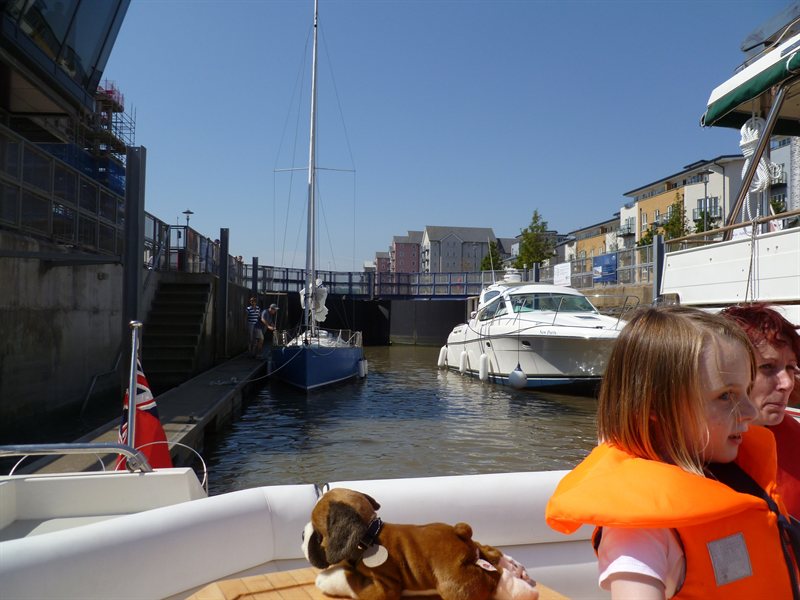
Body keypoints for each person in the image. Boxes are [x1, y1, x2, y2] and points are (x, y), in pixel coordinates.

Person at [545, 306, 800, 599]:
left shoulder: (737, 477)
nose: (749, 411)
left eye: (746, 390)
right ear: (655, 406)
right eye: (726, 396)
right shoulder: (642, 527)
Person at [721, 303, 800, 516]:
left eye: (790, 367)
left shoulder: (795, 438)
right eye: (767, 367)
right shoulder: (691, 452)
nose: (787, 383)